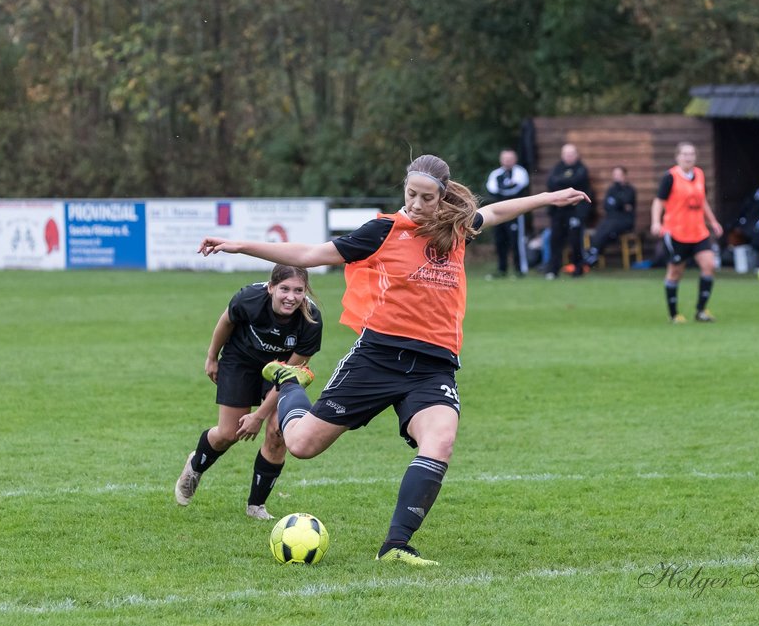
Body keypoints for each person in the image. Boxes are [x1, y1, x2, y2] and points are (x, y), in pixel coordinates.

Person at [197, 154, 589, 566]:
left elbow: (494, 211)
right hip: (377, 358)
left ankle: (396, 546)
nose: (417, 204)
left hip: (434, 365)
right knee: (300, 444)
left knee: (441, 440)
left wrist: (548, 197)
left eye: (426, 198)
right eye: (411, 195)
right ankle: (289, 381)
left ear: (442, 198)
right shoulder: (384, 230)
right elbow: (312, 253)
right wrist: (241, 245)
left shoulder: (455, 230)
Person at [174, 265, 323, 520]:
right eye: (284, 289)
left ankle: (256, 506)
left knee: (278, 431)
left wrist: (260, 416)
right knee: (228, 434)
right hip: (240, 361)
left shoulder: (311, 320)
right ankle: (195, 465)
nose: (291, 297)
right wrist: (212, 357)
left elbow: (289, 373)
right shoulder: (250, 298)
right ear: (271, 287)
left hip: (280, 369)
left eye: (298, 290)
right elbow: (226, 321)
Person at [650, 142, 724, 323]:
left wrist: (713, 222)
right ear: (677, 157)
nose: (688, 157)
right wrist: (655, 222)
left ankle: (701, 311)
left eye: (691, 154)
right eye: (684, 154)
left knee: (709, 265)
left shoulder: (699, 174)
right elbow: (659, 201)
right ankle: (674, 314)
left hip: (699, 231)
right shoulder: (670, 177)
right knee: (676, 272)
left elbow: (702, 201)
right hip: (677, 232)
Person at [544, 143, 594, 278]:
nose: (569, 157)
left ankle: (578, 269)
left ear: (576, 155)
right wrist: (567, 181)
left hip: (575, 211)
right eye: (566, 154)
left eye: (571, 154)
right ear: (562, 155)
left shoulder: (581, 169)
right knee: (555, 240)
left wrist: (563, 182)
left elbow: (577, 181)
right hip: (558, 211)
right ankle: (553, 270)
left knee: (575, 241)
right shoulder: (557, 168)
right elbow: (551, 182)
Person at [484, 148, 531, 277]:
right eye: (505, 159)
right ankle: (502, 269)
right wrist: (505, 188)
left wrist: (503, 188)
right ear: (501, 160)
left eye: (510, 159)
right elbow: (492, 190)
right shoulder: (496, 174)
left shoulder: (520, 172)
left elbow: (516, 189)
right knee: (500, 240)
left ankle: (520, 270)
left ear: (515, 159)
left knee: (516, 240)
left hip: (516, 212)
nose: (507, 161)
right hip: (498, 212)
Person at [585, 165, 637, 267]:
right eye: (615, 175)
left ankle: (594, 251)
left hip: (626, 221)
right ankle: (594, 251)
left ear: (625, 176)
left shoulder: (630, 190)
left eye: (619, 174)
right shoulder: (611, 189)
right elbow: (607, 206)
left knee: (610, 227)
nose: (616, 177)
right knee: (603, 226)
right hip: (612, 219)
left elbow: (625, 201)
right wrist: (619, 204)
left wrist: (616, 202)